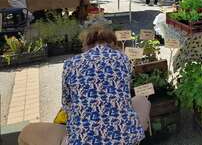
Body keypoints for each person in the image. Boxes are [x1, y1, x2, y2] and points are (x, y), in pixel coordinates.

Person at [18, 25, 149, 145]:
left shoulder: (71, 63)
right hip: (125, 138)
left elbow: (67, 105)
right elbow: (124, 94)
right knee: (142, 100)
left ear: (86, 44)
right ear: (113, 43)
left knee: (26, 133)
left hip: (81, 140)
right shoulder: (123, 59)